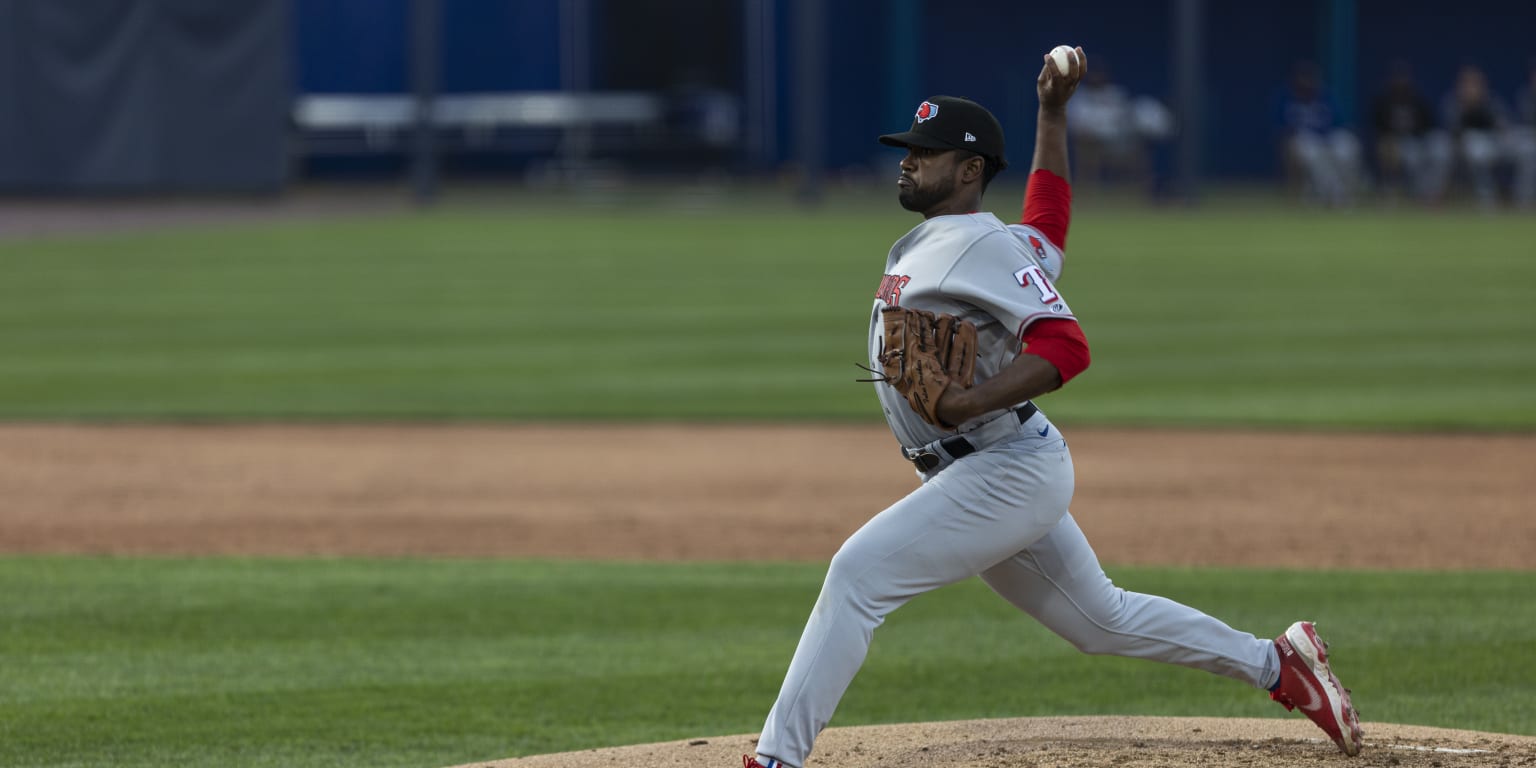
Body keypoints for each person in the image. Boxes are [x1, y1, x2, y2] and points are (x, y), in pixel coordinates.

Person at [742, 46, 1364, 768]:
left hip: (1004, 469)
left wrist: (972, 396)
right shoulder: (980, 241)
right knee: (1102, 620)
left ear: (969, 170)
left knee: (857, 575)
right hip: (984, 467)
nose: (908, 161)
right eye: (908, 150)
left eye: (927, 152)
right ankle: (1279, 664)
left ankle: (774, 759)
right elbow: (1050, 220)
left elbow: (1066, 345)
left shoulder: (978, 245)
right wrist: (1052, 112)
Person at [1279, 61, 1365, 207]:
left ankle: (1337, 193)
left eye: (1309, 78)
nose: (1306, 82)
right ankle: (1330, 194)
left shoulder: (1325, 96)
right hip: (1305, 140)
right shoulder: (1286, 98)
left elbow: (1340, 123)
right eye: (1302, 78)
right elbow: (1283, 129)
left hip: (1328, 138)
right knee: (1314, 154)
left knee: (1349, 145)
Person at [1370, 60, 1452, 204]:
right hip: (1396, 144)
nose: (1401, 82)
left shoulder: (1416, 100)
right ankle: (1420, 195)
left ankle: (1433, 193)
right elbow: (1377, 129)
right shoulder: (1383, 101)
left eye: (1404, 78)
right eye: (1398, 78)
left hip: (1419, 141)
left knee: (1439, 146)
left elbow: (1430, 125)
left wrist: (1422, 138)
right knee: (1411, 155)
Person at [1441, 63, 1517, 209]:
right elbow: (1453, 131)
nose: (1472, 88)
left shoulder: (1491, 102)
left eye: (1475, 83)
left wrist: (1502, 134)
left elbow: (1503, 126)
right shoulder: (1454, 103)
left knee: (1526, 149)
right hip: (1462, 149)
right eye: (1468, 84)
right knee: (1474, 146)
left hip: (1493, 146)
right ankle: (1486, 196)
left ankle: (1524, 197)